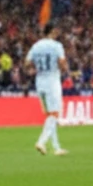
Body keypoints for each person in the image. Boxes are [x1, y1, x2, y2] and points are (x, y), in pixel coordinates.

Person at [26, 23, 69, 156]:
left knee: (50, 115)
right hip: (52, 81)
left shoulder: (36, 46)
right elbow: (62, 63)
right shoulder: (57, 46)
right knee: (55, 114)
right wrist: (65, 70)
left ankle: (56, 148)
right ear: (53, 31)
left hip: (40, 81)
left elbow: (27, 63)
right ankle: (41, 142)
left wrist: (36, 67)